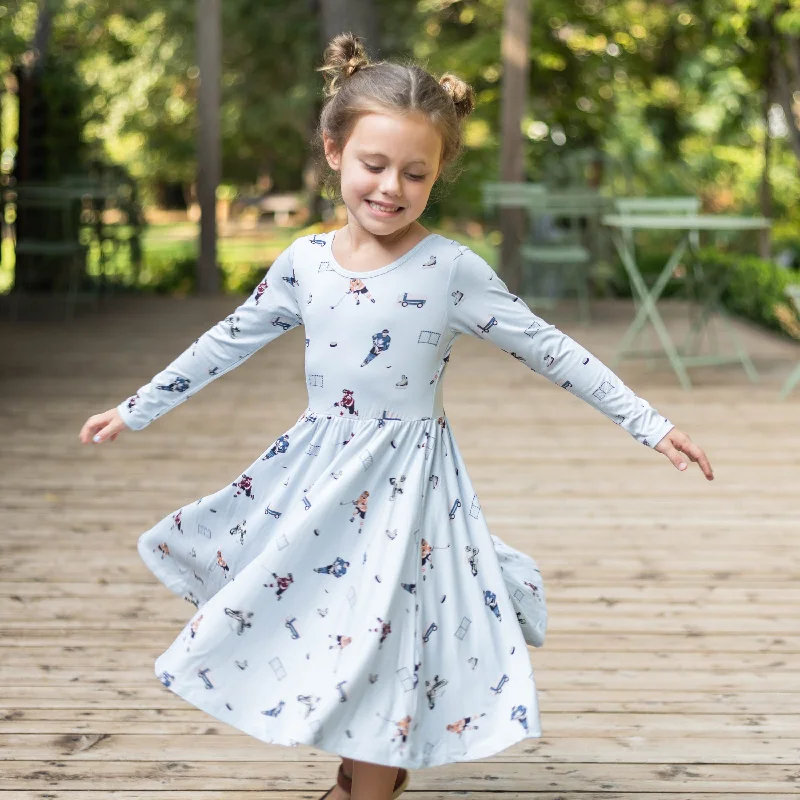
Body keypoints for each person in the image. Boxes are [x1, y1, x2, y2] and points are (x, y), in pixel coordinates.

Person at [79, 31, 714, 800]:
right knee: (326, 621)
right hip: (318, 481)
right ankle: (363, 772)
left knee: (386, 629)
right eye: (374, 166)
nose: (390, 188)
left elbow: (552, 350)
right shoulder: (305, 264)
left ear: (438, 173)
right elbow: (228, 341)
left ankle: (367, 784)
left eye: (415, 173)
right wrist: (136, 408)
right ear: (333, 150)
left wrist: (650, 423)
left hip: (410, 488)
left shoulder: (451, 271)